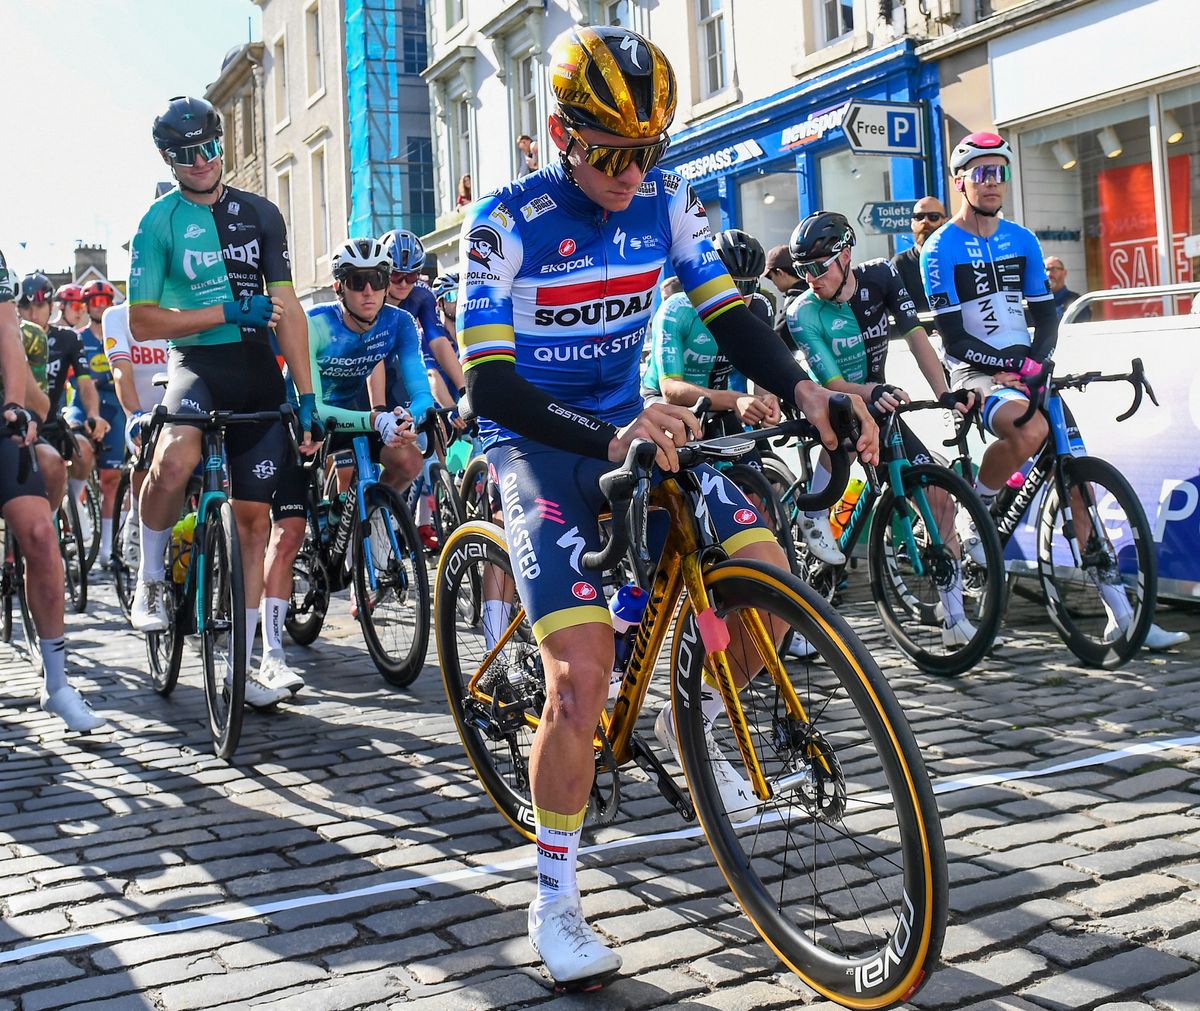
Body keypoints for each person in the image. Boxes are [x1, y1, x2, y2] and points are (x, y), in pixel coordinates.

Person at [457, 24, 876, 989]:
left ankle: (697, 706)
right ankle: (554, 898)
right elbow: (489, 388)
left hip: (640, 422)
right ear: (563, 134)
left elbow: (731, 310)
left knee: (766, 574)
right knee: (581, 678)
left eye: (647, 151)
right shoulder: (505, 222)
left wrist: (812, 393)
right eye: (609, 151)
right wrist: (607, 437)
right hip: (538, 439)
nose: (627, 172)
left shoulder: (667, 199)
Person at [922, 131, 1186, 651]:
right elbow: (953, 336)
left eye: (999, 172)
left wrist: (1036, 362)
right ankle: (981, 505)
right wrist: (1009, 365)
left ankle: (1122, 616)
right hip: (978, 373)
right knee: (1029, 426)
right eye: (980, 173)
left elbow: (1047, 313)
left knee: (1080, 488)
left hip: (1028, 369)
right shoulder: (939, 248)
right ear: (960, 182)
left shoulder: (1022, 238)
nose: (992, 182)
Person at [126, 95, 319, 710]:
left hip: (256, 371)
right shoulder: (158, 223)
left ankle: (247, 661)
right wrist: (225, 311)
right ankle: (152, 579)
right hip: (197, 363)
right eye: (187, 155)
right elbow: (142, 320)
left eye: (210, 148)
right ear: (169, 160)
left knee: (255, 523)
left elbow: (286, 308)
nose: (203, 162)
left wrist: (307, 395)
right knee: (176, 458)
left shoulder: (261, 214)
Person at [786, 211, 978, 646]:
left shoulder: (881, 277)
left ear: (846, 255)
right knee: (841, 443)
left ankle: (953, 617)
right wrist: (871, 390)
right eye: (802, 271)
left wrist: (944, 392)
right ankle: (812, 517)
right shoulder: (803, 311)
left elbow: (915, 337)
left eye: (818, 267)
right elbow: (832, 383)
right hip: (831, 401)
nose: (811, 278)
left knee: (938, 495)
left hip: (879, 401)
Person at [261, 238, 432, 686]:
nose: (369, 291)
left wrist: (414, 415)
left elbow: (418, 390)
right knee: (289, 535)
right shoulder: (317, 326)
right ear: (339, 288)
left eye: (377, 280)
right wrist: (377, 418)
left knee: (408, 460)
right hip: (304, 416)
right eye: (357, 283)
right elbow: (314, 406)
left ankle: (370, 528)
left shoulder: (398, 323)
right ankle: (271, 654)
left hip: (356, 415)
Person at [0, 249, 106, 730]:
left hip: (17, 417)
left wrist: (15, 405)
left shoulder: (55, 337)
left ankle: (57, 683)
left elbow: (9, 341)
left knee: (41, 535)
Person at [381, 228, 466, 550]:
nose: (404, 284)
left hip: (399, 376)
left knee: (416, 452)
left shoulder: (421, 297)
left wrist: (463, 389)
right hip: (363, 372)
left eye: (412, 275)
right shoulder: (368, 291)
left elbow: (438, 342)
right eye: (397, 276)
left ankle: (385, 508)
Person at [102, 298, 170, 573]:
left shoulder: (181, 307)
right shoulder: (116, 316)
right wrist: (133, 415)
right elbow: (120, 371)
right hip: (141, 410)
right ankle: (137, 517)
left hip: (182, 408)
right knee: (147, 451)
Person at [69, 279, 123, 566]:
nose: (100, 306)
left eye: (105, 301)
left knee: (111, 481)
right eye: (94, 302)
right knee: (80, 454)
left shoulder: (119, 334)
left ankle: (107, 551)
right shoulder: (77, 338)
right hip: (83, 405)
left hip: (115, 407)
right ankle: (74, 508)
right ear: (86, 305)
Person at [891, 196, 947, 317]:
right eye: (919, 217)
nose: (924, 221)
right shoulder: (900, 264)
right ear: (912, 223)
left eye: (933, 217)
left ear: (944, 222)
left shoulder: (956, 258)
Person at [1044, 256, 1090, 321]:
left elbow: (1081, 329)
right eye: (1045, 270)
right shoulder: (1038, 302)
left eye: (1053, 269)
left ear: (1064, 273)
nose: (1048, 274)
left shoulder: (1076, 302)